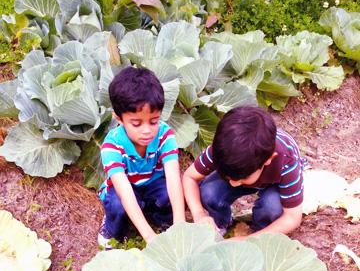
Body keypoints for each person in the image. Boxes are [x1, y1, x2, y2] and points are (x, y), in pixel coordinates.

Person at [183, 105, 304, 240]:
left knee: (272, 207)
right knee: (209, 192)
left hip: (275, 181)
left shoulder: (287, 162)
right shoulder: (223, 150)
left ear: (268, 160)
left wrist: (246, 240)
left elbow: (292, 217)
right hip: (245, 166)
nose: (234, 184)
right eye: (228, 177)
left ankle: (260, 231)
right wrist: (199, 214)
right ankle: (220, 224)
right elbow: (189, 177)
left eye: (242, 178)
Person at [97, 66, 185, 247]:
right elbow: (125, 192)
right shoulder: (111, 146)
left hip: (153, 183)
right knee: (118, 206)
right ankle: (113, 229)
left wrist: (180, 223)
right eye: (136, 123)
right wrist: (149, 237)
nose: (147, 130)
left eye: (154, 121)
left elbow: (173, 178)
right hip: (125, 188)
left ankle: (161, 218)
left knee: (169, 194)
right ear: (119, 118)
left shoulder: (164, 135)